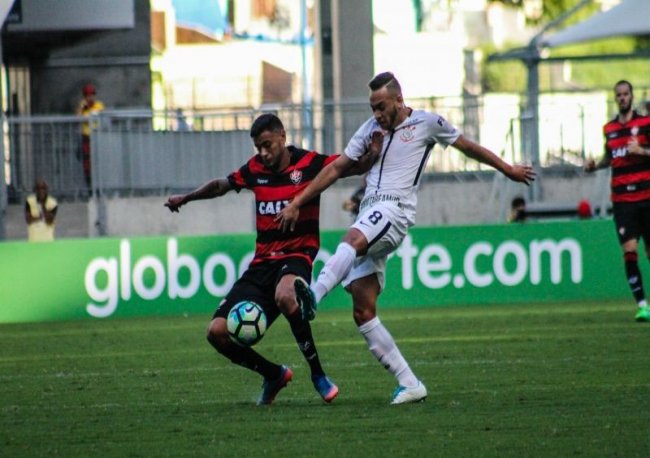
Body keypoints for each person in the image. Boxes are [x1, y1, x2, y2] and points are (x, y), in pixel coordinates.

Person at [277, 71, 535, 404]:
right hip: (370, 213)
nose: (377, 115)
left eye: (382, 107)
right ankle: (410, 382)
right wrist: (298, 201)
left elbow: (467, 147)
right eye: (373, 108)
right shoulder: (371, 130)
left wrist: (507, 169)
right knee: (362, 309)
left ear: (399, 100)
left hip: (394, 211)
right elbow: (337, 168)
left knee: (349, 240)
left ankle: (313, 295)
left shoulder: (427, 123)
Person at [164, 113, 377, 405]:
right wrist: (186, 198)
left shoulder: (310, 163)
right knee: (216, 333)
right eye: (258, 148)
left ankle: (318, 375)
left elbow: (350, 166)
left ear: (282, 137)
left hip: (297, 255)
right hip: (261, 263)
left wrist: (375, 149)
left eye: (267, 145)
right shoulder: (254, 169)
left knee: (287, 296)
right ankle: (273, 374)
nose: (263, 153)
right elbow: (220, 186)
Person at [585, 80, 650, 322]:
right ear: (615, 99)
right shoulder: (609, 129)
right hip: (623, 201)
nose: (623, 98)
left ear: (632, 96)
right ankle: (643, 305)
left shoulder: (645, 124)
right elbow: (609, 158)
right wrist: (595, 167)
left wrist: (642, 151)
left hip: (647, 196)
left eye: (626, 94)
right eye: (619, 95)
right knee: (629, 251)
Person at [76, 83, 105, 187]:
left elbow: (94, 117)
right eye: (87, 95)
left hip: (97, 138)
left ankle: (98, 187)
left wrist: (86, 114)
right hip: (86, 138)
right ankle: (90, 187)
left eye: (91, 95)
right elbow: (78, 118)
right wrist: (82, 108)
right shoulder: (83, 107)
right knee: (87, 166)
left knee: (98, 164)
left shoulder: (99, 105)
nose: (90, 98)